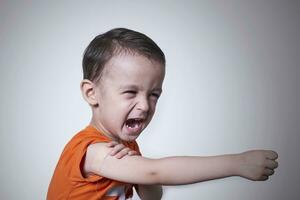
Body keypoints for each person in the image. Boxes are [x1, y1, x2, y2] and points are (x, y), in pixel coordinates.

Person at [47, 28, 279, 200]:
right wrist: (237, 164)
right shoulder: (93, 151)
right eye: (130, 92)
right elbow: (155, 171)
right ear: (91, 93)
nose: (145, 106)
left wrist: (144, 176)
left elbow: (152, 195)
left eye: (154, 94)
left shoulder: (127, 148)